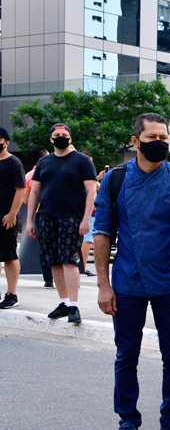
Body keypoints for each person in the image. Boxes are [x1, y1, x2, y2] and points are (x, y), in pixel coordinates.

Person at [93, 113, 170, 430]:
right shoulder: (115, 180)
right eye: (152, 137)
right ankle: (127, 421)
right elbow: (102, 233)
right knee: (126, 354)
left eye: (164, 137)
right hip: (126, 282)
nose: (160, 143)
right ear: (136, 141)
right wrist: (103, 284)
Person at [24, 123, 98, 323]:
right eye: (57, 135)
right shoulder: (44, 163)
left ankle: (74, 305)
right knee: (54, 261)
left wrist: (85, 218)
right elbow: (35, 193)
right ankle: (63, 302)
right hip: (46, 217)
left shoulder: (82, 161)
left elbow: (92, 191)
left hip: (71, 217)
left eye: (64, 134)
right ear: (51, 139)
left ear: (70, 138)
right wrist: (29, 220)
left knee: (70, 260)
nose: (60, 137)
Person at [0, 127, 27, 310]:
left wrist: (12, 214)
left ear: (6, 142)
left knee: (9, 256)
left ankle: (12, 294)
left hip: (6, 217)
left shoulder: (13, 163)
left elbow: (21, 189)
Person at [24, 147, 54, 287]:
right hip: (58, 211)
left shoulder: (29, 175)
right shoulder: (54, 169)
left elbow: (26, 200)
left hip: (39, 214)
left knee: (45, 248)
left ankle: (48, 279)